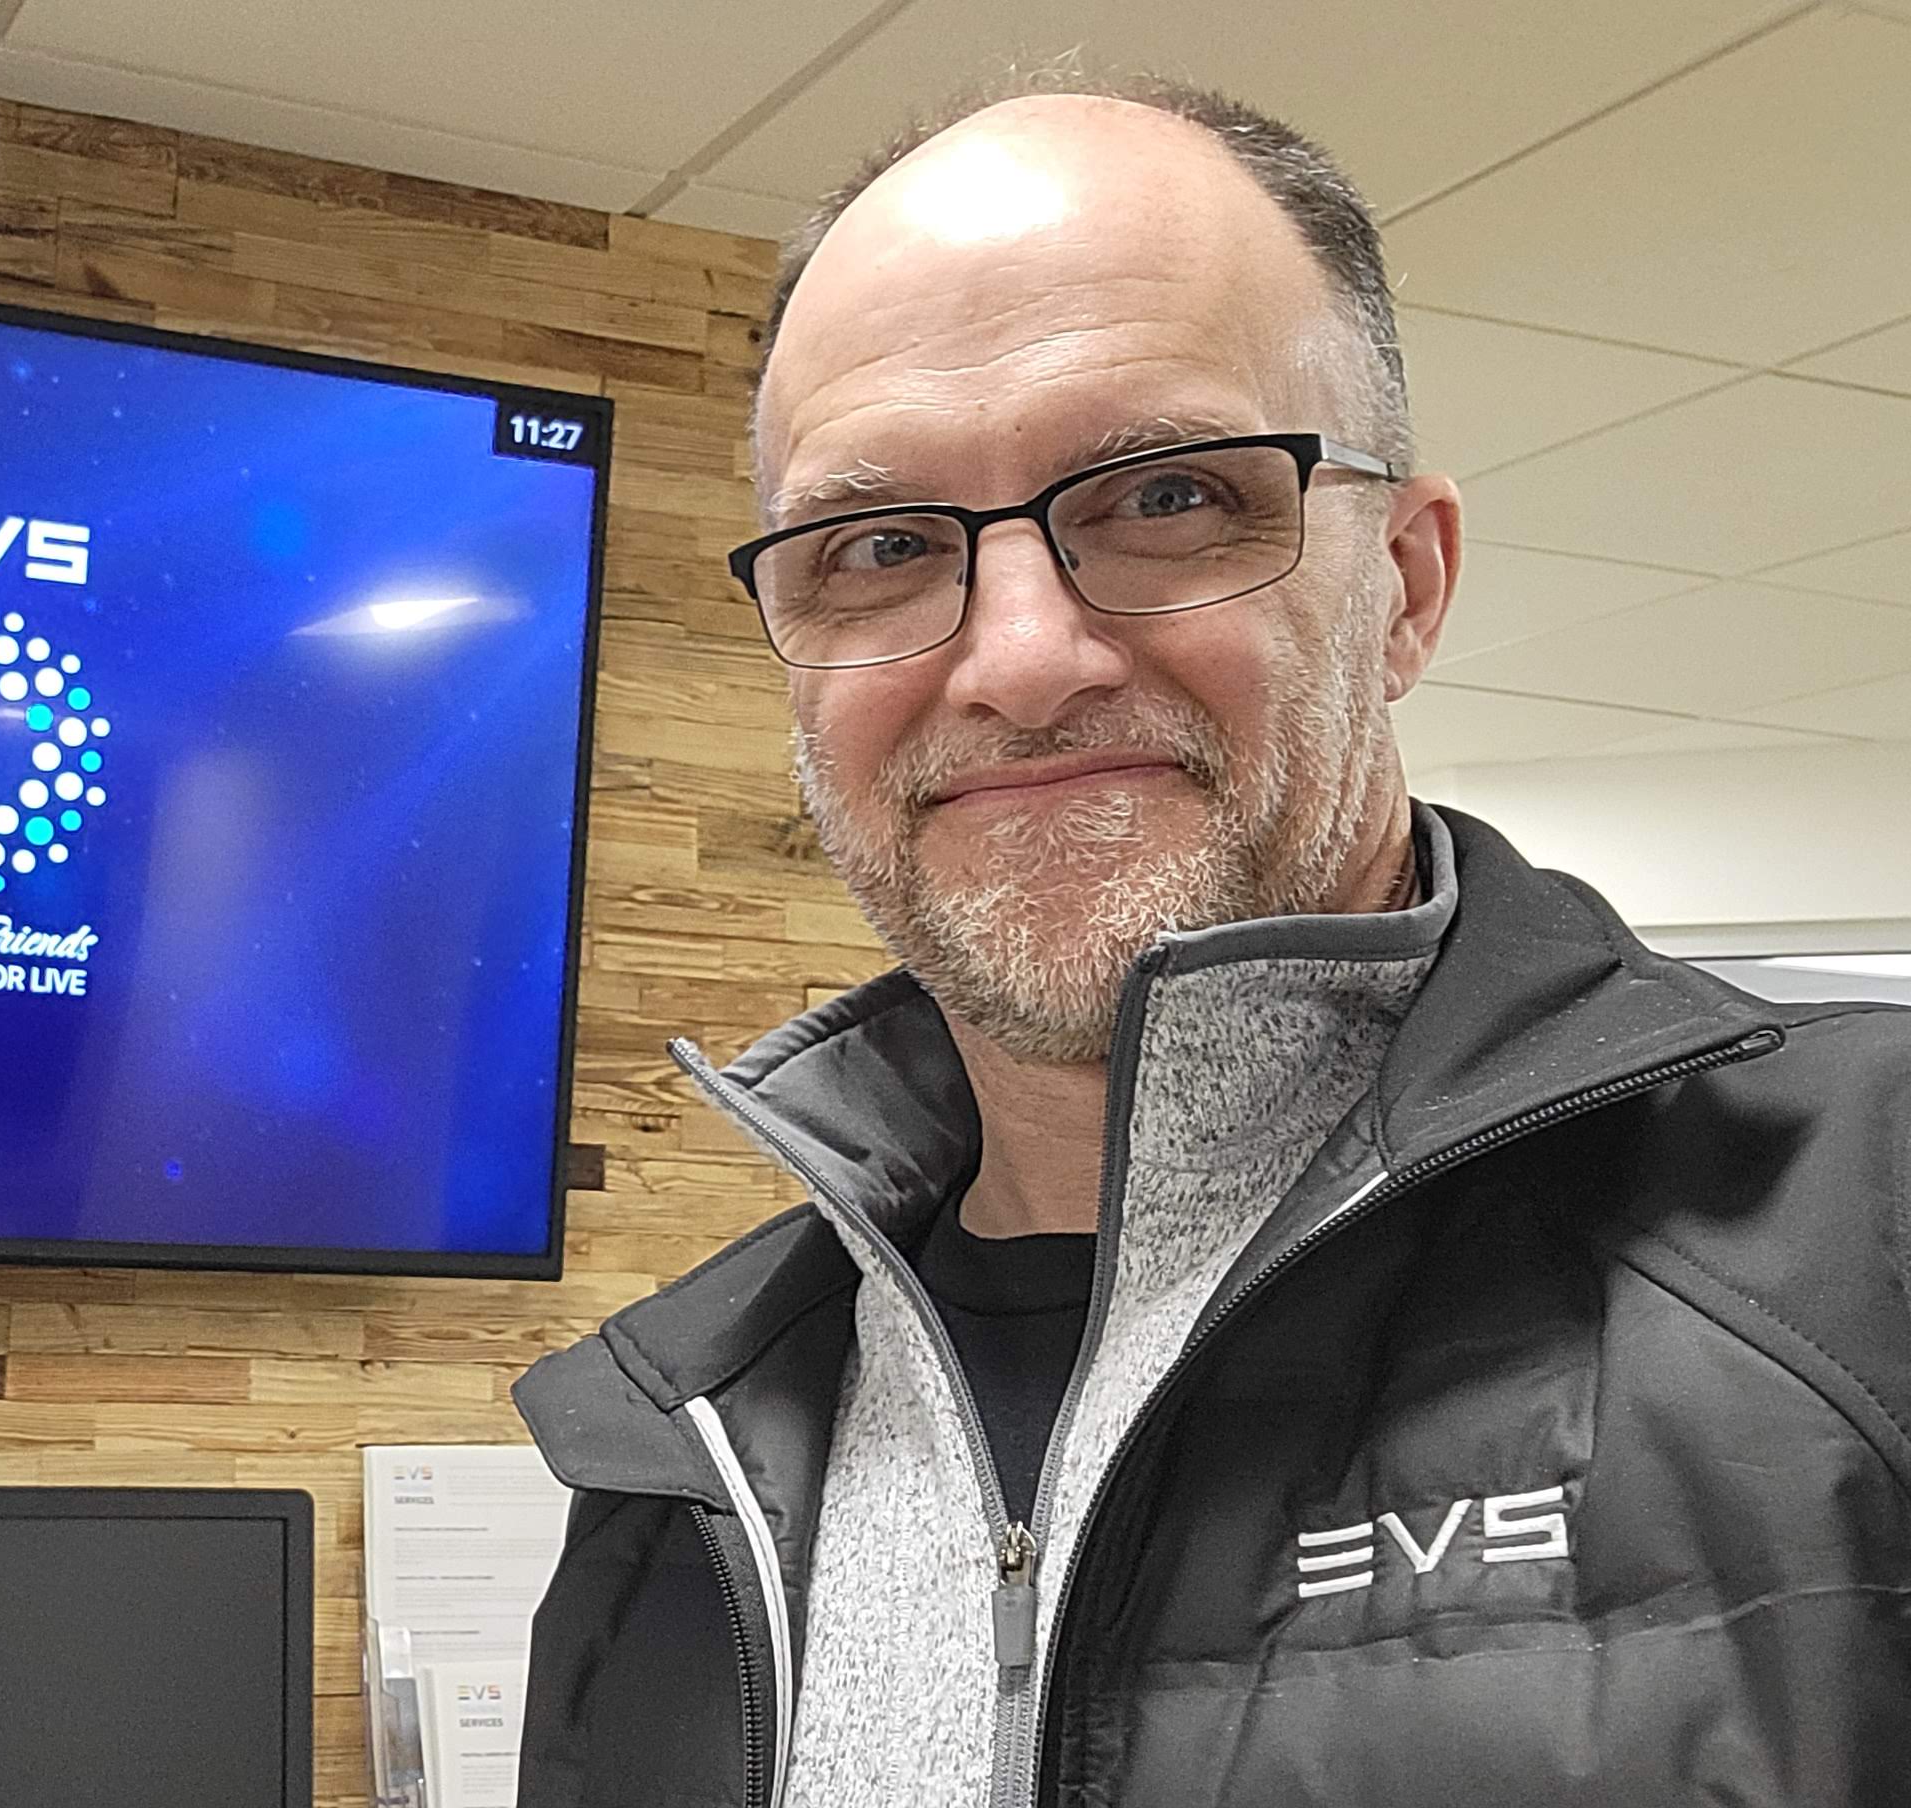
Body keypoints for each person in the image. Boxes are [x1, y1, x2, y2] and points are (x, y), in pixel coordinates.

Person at [512, 71, 1911, 1807]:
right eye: (878, 545)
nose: (1021, 661)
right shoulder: (668, 1456)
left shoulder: (1857, 1239)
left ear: (1405, 585)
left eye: (1166, 496)